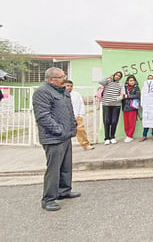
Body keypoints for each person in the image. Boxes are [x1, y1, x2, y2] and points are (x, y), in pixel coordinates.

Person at [32, 67, 80, 211]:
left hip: (66, 135)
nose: (64, 79)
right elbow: (43, 116)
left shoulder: (63, 91)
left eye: (64, 76)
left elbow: (69, 110)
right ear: (51, 79)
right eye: (61, 77)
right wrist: (58, 130)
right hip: (53, 138)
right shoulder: (42, 92)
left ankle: (64, 191)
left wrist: (72, 125)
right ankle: (48, 199)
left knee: (66, 166)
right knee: (54, 169)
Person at [65, 80, 94, 150]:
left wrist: (80, 115)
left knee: (81, 131)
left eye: (71, 86)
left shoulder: (76, 95)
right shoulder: (60, 95)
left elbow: (81, 104)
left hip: (76, 116)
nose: (69, 87)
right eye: (67, 86)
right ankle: (65, 148)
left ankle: (85, 145)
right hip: (65, 117)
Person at [99, 71, 125, 145]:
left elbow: (123, 94)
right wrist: (108, 77)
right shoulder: (107, 82)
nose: (117, 76)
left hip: (116, 105)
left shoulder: (120, 85)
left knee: (114, 121)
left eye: (119, 76)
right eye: (116, 75)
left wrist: (117, 99)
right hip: (106, 104)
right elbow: (100, 81)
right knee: (106, 121)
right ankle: (107, 138)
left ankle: (113, 137)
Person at [122, 75, 141, 143]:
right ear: (127, 81)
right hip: (125, 107)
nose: (132, 82)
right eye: (130, 80)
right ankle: (127, 135)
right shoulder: (124, 88)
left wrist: (128, 96)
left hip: (132, 107)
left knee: (131, 122)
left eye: (133, 80)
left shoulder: (136, 87)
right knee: (126, 122)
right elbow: (122, 95)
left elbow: (137, 95)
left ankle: (130, 135)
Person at [142, 74, 153, 141]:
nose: (150, 79)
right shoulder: (144, 88)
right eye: (149, 78)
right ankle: (144, 135)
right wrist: (143, 105)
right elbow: (142, 97)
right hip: (146, 107)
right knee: (146, 121)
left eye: (151, 78)